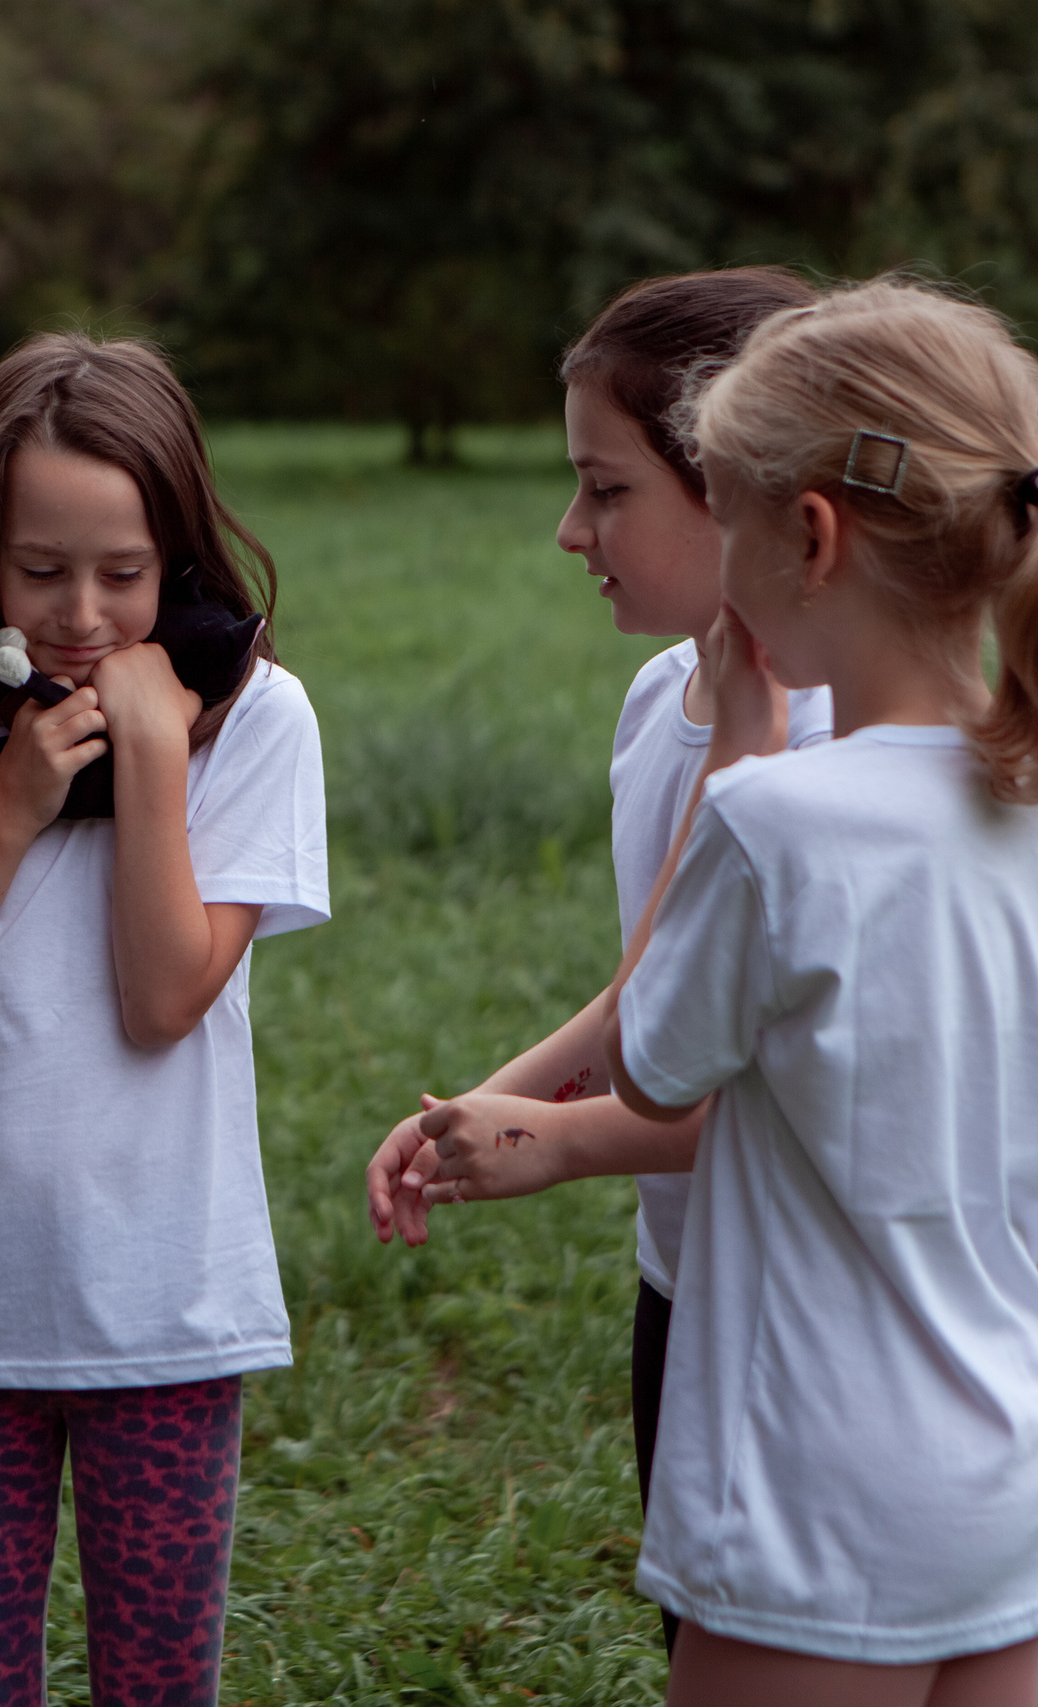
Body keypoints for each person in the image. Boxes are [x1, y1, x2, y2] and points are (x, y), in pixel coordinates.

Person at [607, 278, 1038, 1705]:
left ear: (807, 536)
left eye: (724, 517)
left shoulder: (774, 825)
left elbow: (655, 1069)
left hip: (813, 1501)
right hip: (1015, 1485)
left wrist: (739, 752)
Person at [0, 332, 330, 1707]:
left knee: (158, 1688)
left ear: (183, 552)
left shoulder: (257, 724)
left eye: (125, 574)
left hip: (166, 1311)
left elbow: (163, 999)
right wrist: (11, 807)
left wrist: (151, 746)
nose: (84, 611)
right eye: (41, 573)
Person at [362, 268, 828, 1641]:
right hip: (681, 1288)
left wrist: (565, 1143)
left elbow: (793, 1098)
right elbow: (655, 993)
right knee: (698, 1632)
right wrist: (484, 1106)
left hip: (802, 1311)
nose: (572, 529)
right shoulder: (656, 703)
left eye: (608, 488)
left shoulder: (839, 753)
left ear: (737, 486)